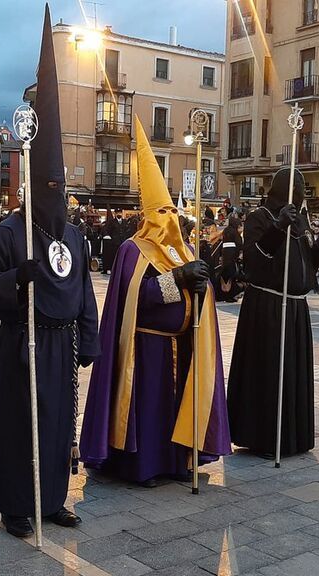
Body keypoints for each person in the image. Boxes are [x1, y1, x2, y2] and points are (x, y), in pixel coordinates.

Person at [0, 5, 100, 538]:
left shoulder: (72, 232)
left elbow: (85, 289)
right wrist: (15, 280)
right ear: (33, 189)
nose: (58, 197)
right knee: (21, 426)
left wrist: (88, 339)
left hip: (62, 346)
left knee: (56, 427)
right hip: (23, 342)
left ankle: (52, 499)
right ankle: (17, 506)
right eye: (49, 189)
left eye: (62, 189)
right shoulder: (8, 233)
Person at [80, 117, 231, 488]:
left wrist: (201, 283)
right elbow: (138, 299)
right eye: (161, 213)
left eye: (172, 213)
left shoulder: (185, 250)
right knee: (147, 409)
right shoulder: (134, 251)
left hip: (180, 345)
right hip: (144, 348)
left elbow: (199, 294)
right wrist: (177, 279)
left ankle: (178, 462)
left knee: (176, 407)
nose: (169, 219)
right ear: (148, 216)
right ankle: (142, 466)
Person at [227, 167, 319, 457]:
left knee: (292, 375)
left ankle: (293, 437)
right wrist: (277, 229)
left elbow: (308, 263)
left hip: (296, 308)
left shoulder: (299, 221)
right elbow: (254, 259)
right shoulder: (259, 217)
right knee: (269, 372)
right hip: (268, 307)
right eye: (295, 187)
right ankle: (263, 437)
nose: (300, 192)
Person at [214, 214, 243, 301]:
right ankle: (230, 295)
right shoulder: (235, 233)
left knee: (224, 276)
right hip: (232, 255)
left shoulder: (226, 231)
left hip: (224, 255)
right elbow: (239, 245)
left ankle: (221, 294)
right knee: (231, 276)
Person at [101, 208, 124, 274]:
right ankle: (112, 268)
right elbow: (106, 230)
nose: (119, 214)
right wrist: (108, 236)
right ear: (115, 214)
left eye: (120, 212)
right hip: (114, 243)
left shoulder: (124, 222)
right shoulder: (112, 222)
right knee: (113, 256)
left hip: (122, 242)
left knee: (121, 256)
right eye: (117, 213)